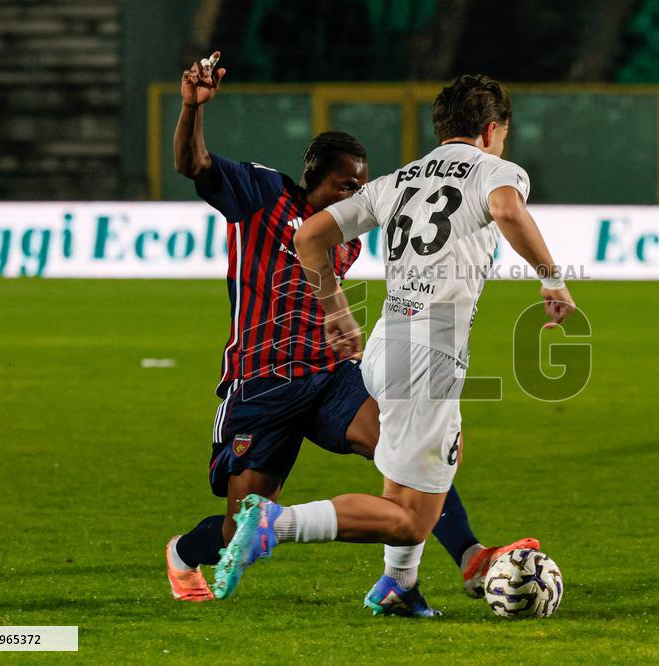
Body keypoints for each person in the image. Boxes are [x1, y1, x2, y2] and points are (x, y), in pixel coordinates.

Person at [164, 54, 538, 609]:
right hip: (262, 382)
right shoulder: (260, 193)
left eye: (359, 185)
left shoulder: (348, 239)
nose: (352, 193)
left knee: (407, 452)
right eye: (344, 184)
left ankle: (458, 559)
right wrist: (192, 109)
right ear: (314, 176)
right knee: (239, 526)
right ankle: (183, 553)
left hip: (328, 377)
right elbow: (193, 164)